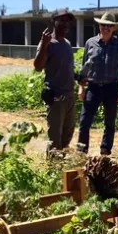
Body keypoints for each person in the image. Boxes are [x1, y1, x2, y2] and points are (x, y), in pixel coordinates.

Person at [76, 12, 118, 155]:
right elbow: (83, 69)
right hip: (93, 87)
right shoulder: (90, 43)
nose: (106, 28)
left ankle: (105, 151)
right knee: (84, 121)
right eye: (103, 25)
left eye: (109, 26)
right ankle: (81, 151)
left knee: (109, 122)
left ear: (113, 28)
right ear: (99, 26)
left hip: (111, 87)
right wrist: (81, 88)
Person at [34, 8, 76, 153]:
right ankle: (51, 170)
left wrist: (78, 77)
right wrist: (44, 45)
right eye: (62, 19)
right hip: (56, 98)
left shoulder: (67, 44)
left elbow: (66, 69)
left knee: (67, 137)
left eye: (68, 20)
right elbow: (38, 67)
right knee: (54, 140)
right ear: (54, 21)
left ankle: (62, 169)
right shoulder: (48, 43)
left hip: (70, 97)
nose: (66, 23)